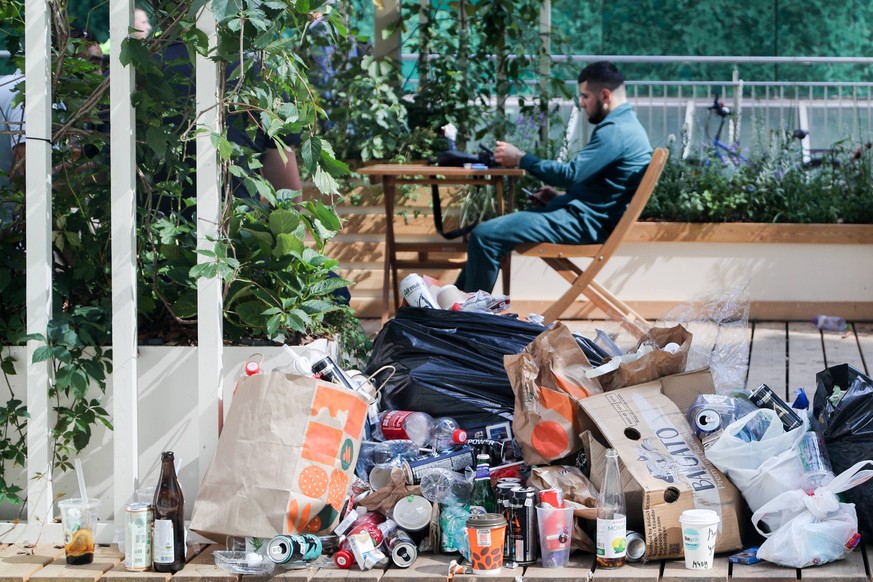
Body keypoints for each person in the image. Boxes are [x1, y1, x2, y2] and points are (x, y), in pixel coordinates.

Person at [455, 61, 652, 294]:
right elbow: (605, 189)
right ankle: (448, 310)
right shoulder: (627, 127)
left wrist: (521, 158)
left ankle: (468, 317)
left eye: (585, 96)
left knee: (485, 236)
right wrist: (557, 197)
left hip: (585, 223)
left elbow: (569, 174)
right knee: (486, 235)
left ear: (605, 95)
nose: (582, 103)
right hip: (584, 217)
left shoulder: (617, 131)